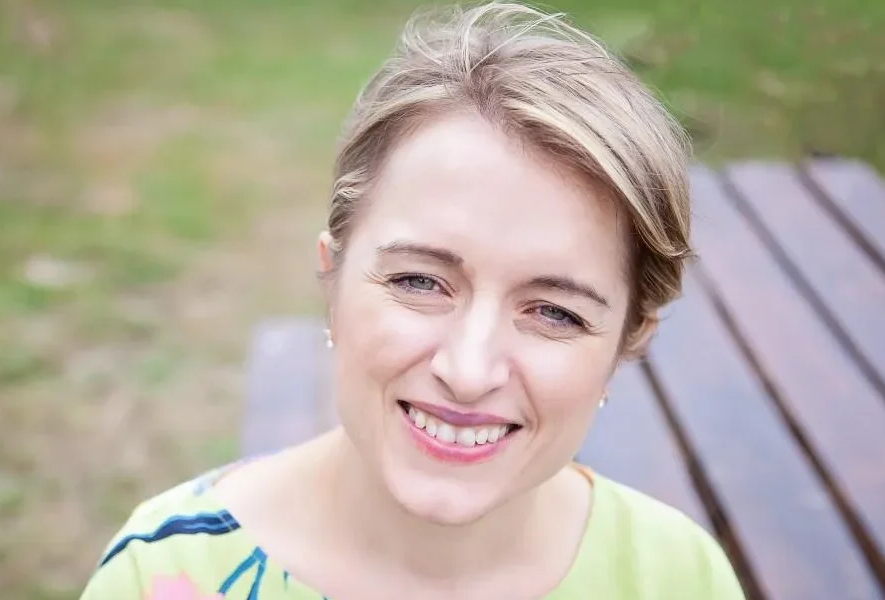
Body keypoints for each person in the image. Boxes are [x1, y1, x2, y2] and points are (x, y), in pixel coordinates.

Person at [80, 2, 746, 599]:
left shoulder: (679, 578)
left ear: (628, 343)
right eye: (419, 282)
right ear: (332, 280)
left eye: (555, 312)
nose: (468, 371)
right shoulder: (160, 577)